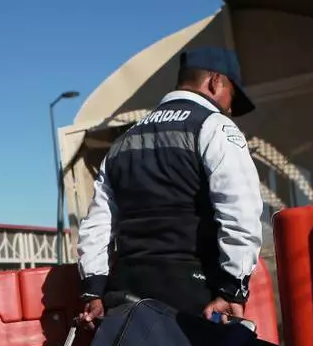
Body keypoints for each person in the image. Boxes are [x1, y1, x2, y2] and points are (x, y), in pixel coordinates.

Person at [76, 47, 264, 325]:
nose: (230, 108)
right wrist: (233, 289)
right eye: (232, 96)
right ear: (215, 81)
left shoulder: (123, 141)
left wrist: (94, 290)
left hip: (126, 296)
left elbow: (97, 226)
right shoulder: (213, 126)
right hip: (192, 295)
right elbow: (240, 211)